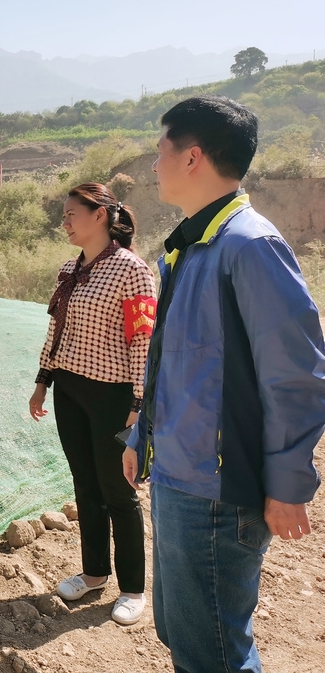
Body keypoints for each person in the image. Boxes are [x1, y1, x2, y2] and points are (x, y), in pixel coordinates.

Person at [123, 95, 325, 672]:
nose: (153, 164)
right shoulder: (189, 249)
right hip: (178, 474)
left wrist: (286, 484)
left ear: (193, 158)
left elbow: (297, 375)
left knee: (212, 653)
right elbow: (170, 363)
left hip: (217, 491)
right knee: (184, 634)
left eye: (161, 151)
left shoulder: (249, 246)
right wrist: (141, 439)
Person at [30, 182, 156, 626]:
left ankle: (133, 588)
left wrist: (138, 402)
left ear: (99, 215)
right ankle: (94, 572)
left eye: (71, 214)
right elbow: (56, 331)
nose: (64, 222)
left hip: (112, 396)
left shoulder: (132, 270)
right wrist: (43, 380)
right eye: (63, 215)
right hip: (69, 389)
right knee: (85, 485)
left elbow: (143, 341)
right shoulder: (69, 269)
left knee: (118, 490)